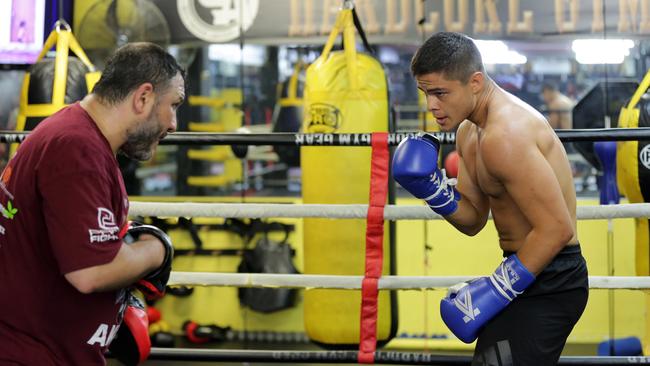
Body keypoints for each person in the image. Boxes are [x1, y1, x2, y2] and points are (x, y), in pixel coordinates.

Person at [392, 32, 588, 365]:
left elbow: (557, 229)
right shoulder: (468, 132)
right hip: (522, 271)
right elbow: (473, 219)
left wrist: (497, 288)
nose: (431, 106)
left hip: (553, 281)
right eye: (425, 93)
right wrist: (434, 191)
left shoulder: (506, 136)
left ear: (475, 82)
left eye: (440, 93)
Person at [0, 42, 184, 365]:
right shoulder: (77, 149)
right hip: (35, 354)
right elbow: (91, 271)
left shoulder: (79, 136)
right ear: (143, 98)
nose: (173, 123)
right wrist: (157, 249)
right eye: (173, 105)